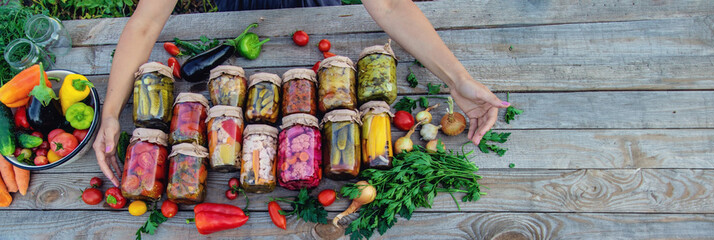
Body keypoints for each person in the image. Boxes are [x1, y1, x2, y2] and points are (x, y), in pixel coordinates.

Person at [93, 0, 510, 186]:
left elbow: (390, 6)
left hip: (321, 16)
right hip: (241, 26)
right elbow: (146, 22)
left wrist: (458, 80)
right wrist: (111, 111)